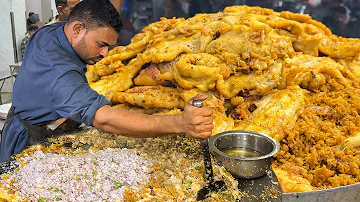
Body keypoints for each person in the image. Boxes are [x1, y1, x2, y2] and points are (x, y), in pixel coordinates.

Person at [0, 0, 213, 162]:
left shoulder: (50, 32)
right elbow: (105, 119)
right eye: (100, 44)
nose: (105, 53)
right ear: (77, 29)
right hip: (29, 138)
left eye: (108, 46)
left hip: (28, 119)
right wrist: (180, 123)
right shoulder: (61, 75)